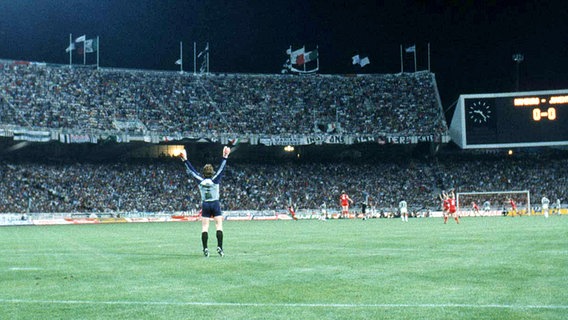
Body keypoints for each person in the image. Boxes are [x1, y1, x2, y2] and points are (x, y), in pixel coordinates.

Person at [179, 146, 231, 257]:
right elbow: (221, 169)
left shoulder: (200, 181)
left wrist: (185, 160)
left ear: (203, 173)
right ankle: (220, 247)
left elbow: (192, 171)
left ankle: (205, 249)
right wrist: (225, 156)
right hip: (215, 204)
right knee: (219, 226)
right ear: (212, 172)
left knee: (204, 227)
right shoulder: (215, 180)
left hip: (206, 204)